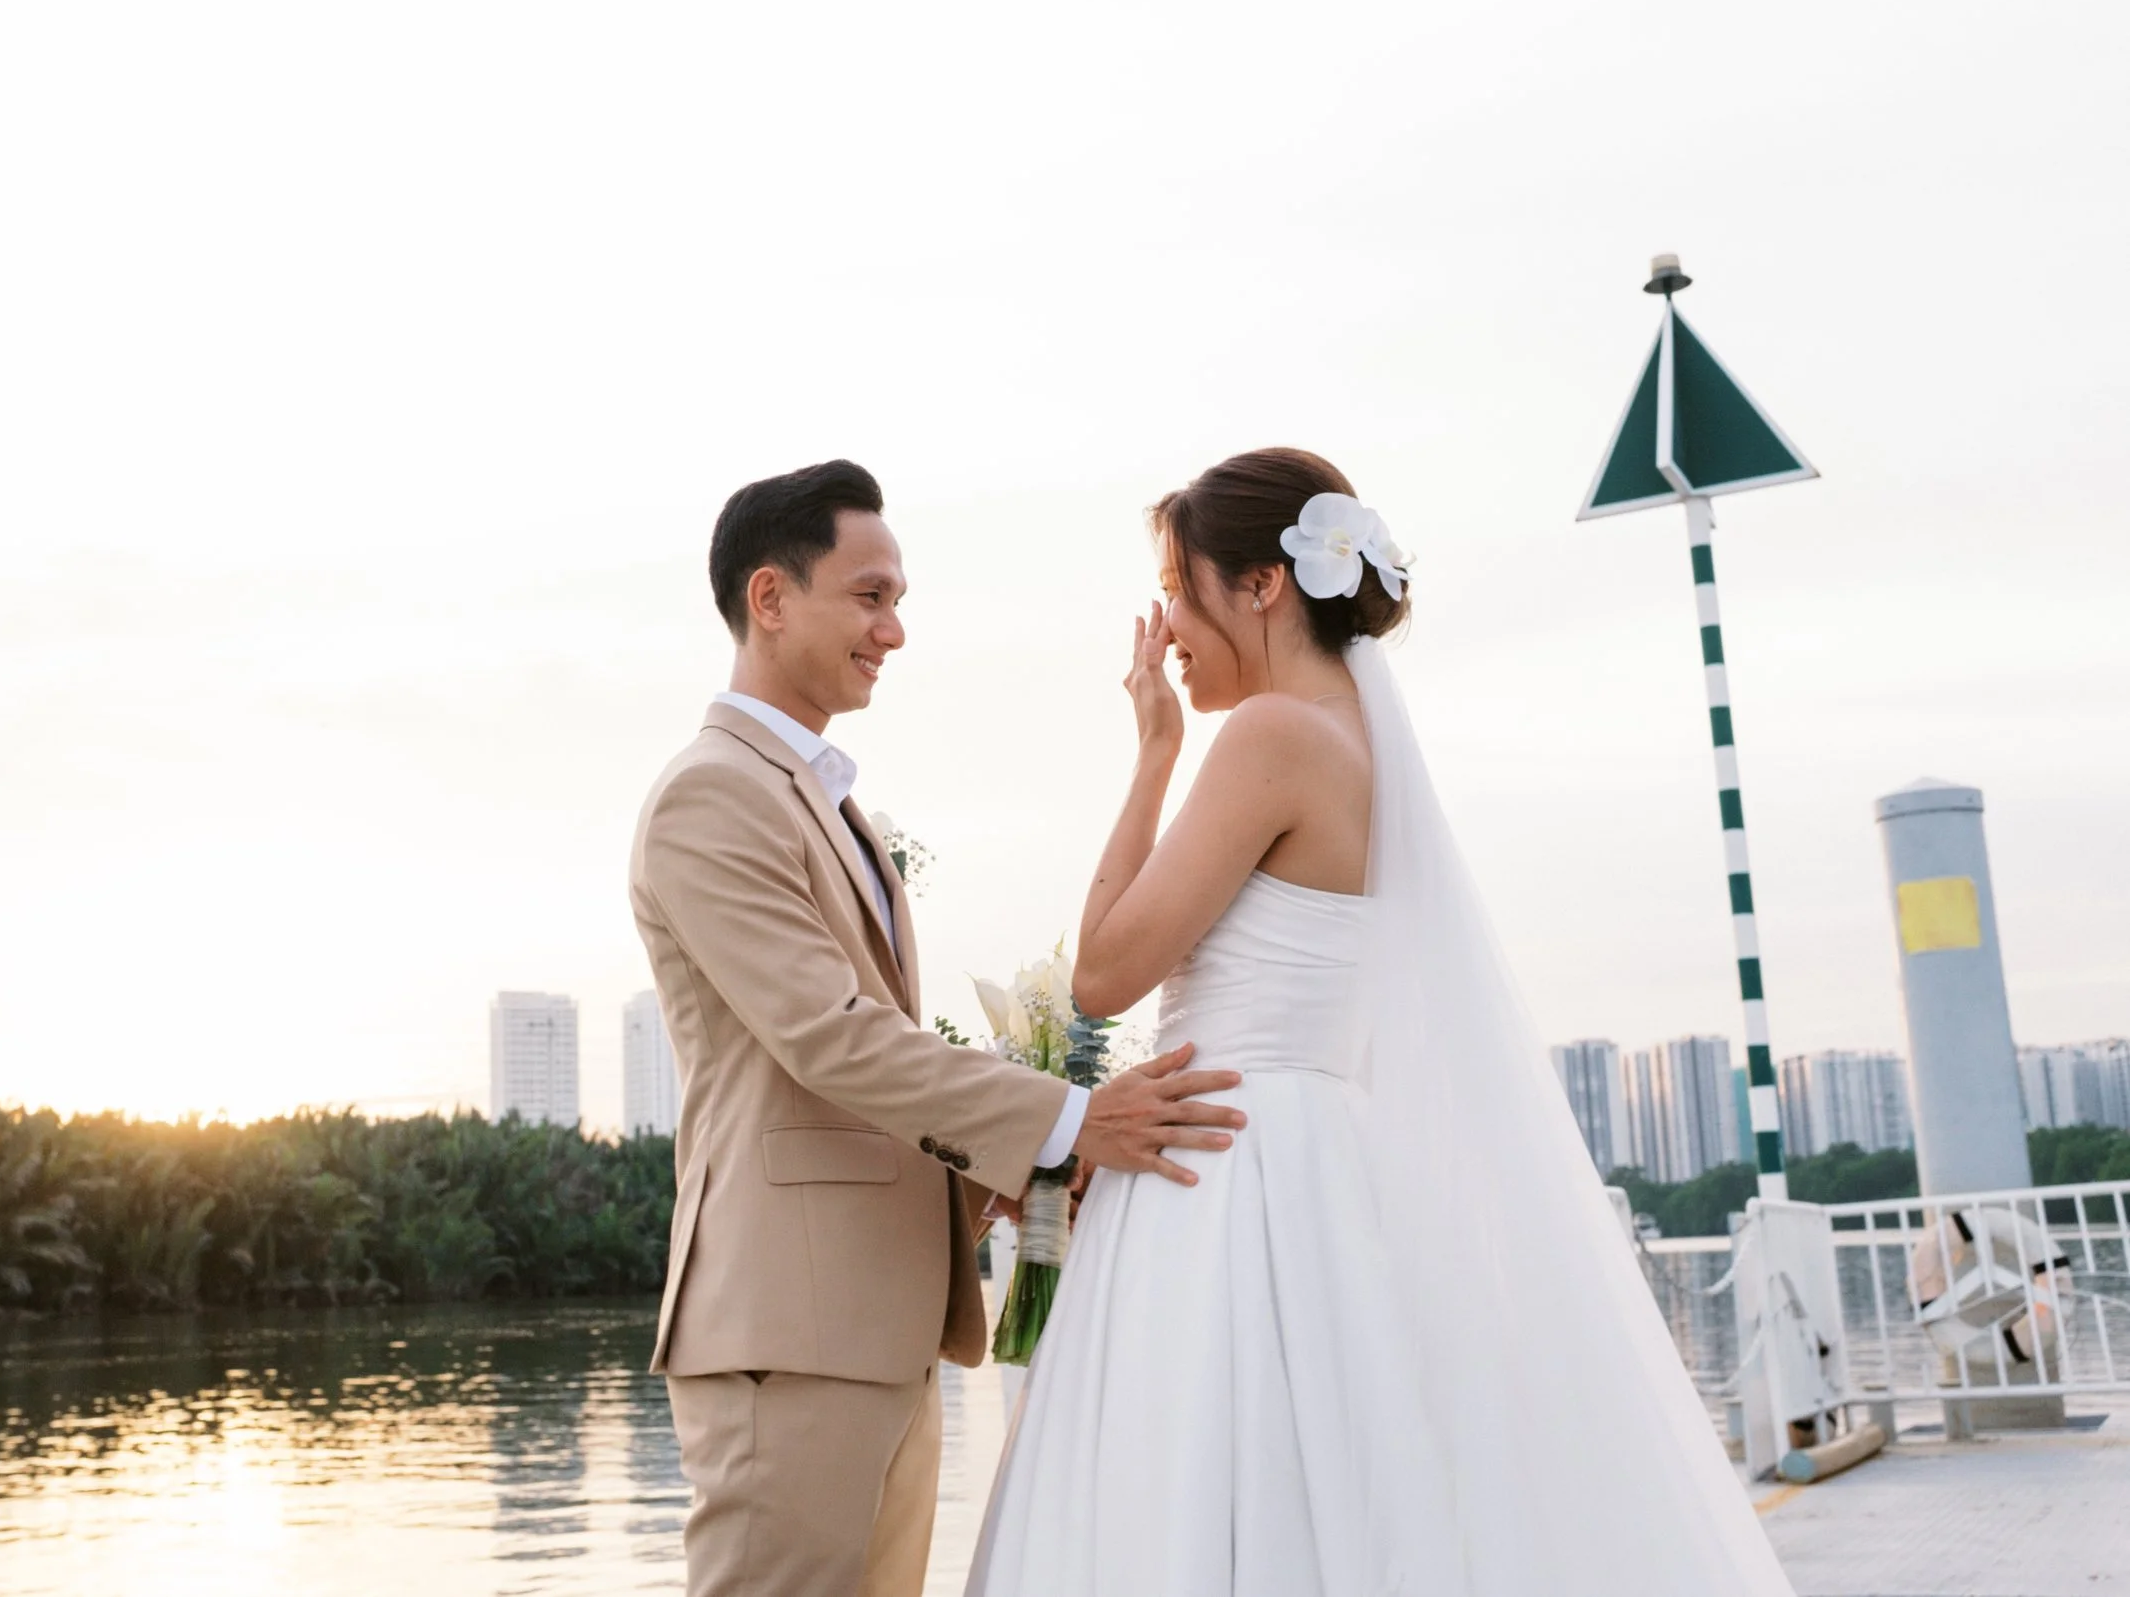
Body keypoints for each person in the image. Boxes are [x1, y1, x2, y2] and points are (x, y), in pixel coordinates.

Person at [965, 448, 1795, 1595]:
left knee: (1191, 1490)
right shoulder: (1358, 738)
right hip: (1317, 1161)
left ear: (1262, 583)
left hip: (1224, 1162)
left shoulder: (1270, 735)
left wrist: (1153, 752)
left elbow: (1104, 972)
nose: (1165, 628)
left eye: (1175, 586)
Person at [627, 458, 1249, 1597]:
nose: (895, 630)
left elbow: (845, 1082)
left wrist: (994, 1176)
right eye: (870, 597)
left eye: (898, 600)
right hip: (786, 1337)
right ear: (770, 597)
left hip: (877, 1332)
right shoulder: (711, 793)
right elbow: (830, 1037)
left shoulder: (827, 801)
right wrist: (1071, 1120)